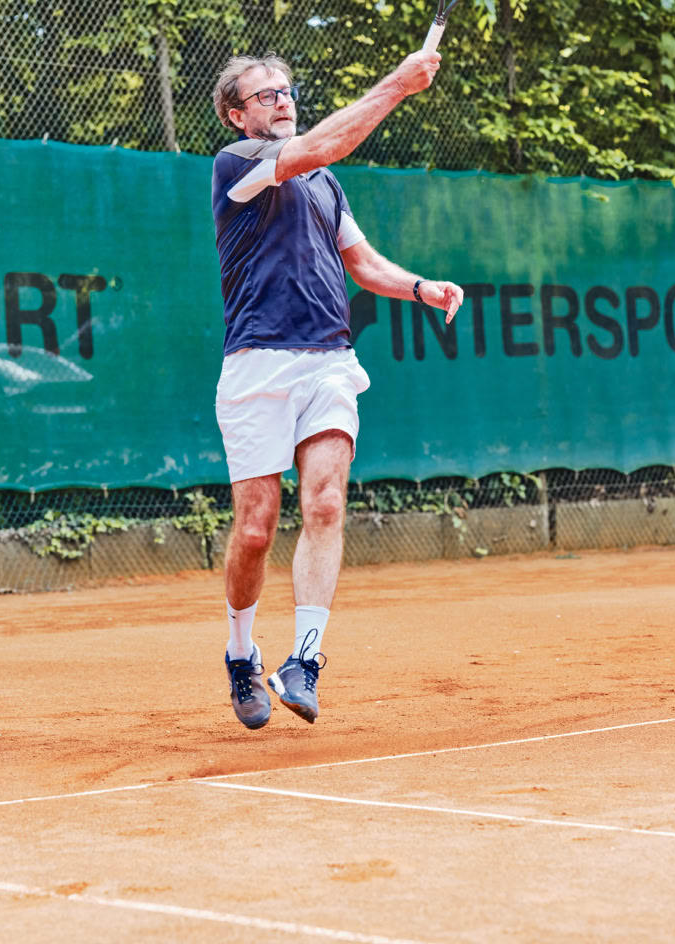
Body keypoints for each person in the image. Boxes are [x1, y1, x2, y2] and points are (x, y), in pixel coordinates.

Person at [211, 49, 464, 730]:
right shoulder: (238, 163)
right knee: (256, 528)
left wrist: (419, 287)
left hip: (328, 361)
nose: (281, 101)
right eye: (264, 96)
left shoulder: (324, 182)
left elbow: (363, 262)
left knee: (325, 501)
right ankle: (241, 653)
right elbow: (326, 140)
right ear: (237, 114)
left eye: (286, 91)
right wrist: (398, 85)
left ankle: (305, 662)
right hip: (257, 366)